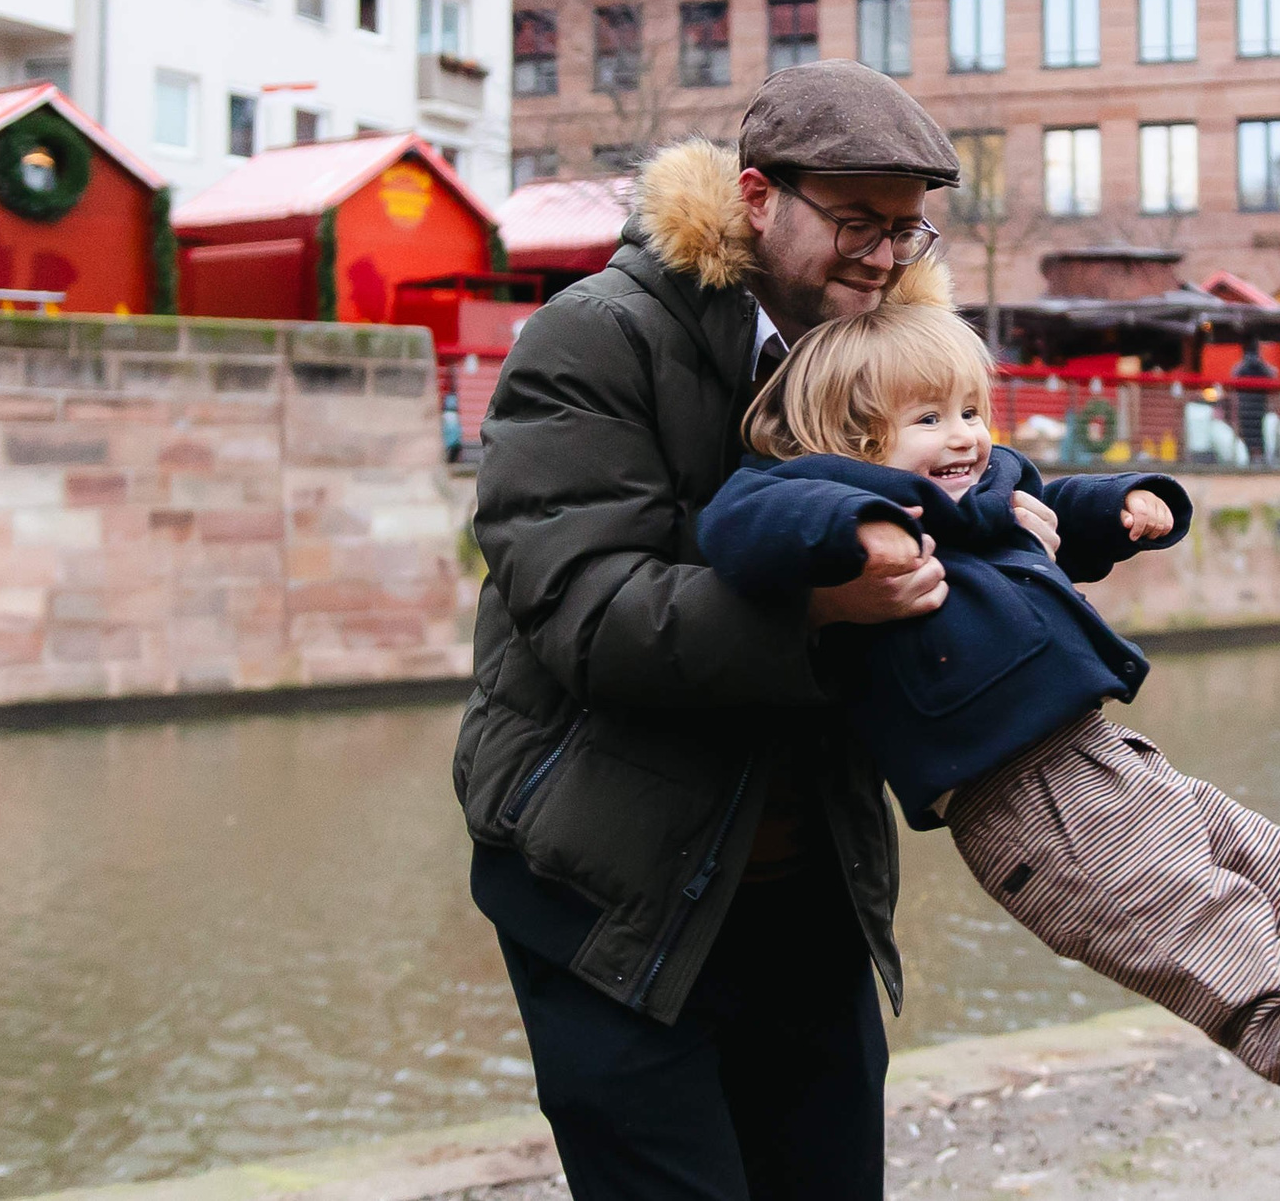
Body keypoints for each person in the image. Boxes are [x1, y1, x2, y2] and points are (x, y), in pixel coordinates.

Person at [700, 302, 1280, 1180]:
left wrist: (1128, 504)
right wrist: (854, 526)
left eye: (973, 411)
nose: (966, 436)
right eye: (930, 418)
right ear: (855, 444)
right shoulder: (825, 503)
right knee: (1231, 958)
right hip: (1026, 810)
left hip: (1099, 757)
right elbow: (740, 522)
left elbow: (1051, 500)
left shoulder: (986, 491)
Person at [453, 62, 1064, 1201]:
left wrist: (1016, 542)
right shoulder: (593, 337)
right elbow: (588, 611)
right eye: (854, 223)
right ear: (753, 195)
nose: (883, 259)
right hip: (608, 882)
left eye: (906, 230)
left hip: (806, 878)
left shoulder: (877, 352)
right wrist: (821, 604)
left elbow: (943, 520)